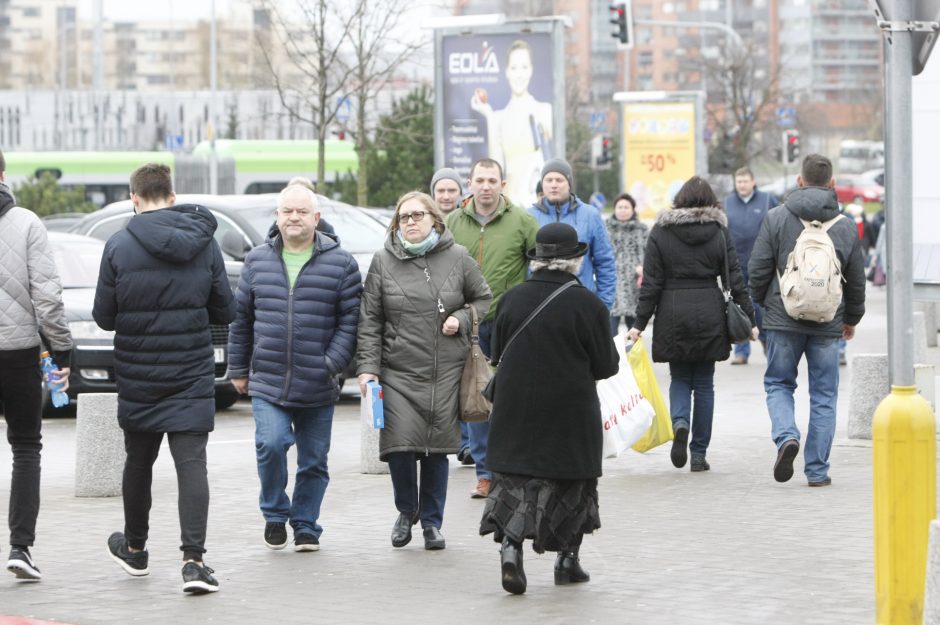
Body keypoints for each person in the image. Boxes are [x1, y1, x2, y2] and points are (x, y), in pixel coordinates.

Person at [93, 163, 235, 594]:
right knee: (192, 465)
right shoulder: (204, 243)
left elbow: (102, 317)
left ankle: (135, 549)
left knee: (139, 463)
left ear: (134, 199)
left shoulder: (118, 245)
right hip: (190, 372)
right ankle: (194, 561)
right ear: (172, 197)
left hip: (139, 373)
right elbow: (225, 310)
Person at [480, 222, 619, 595]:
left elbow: (495, 351)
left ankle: (511, 550)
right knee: (573, 483)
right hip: (570, 410)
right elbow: (607, 366)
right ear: (575, 260)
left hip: (515, 407)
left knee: (514, 479)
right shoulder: (589, 305)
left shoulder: (511, 299)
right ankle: (567, 560)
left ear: (537, 261)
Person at [227, 184, 362, 551]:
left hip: (317, 380)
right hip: (268, 379)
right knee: (270, 444)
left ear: (316, 218)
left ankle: (305, 524)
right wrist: (238, 369)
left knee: (314, 460)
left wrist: (331, 363)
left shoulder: (342, 263)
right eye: (287, 211)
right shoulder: (257, 261)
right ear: (277, 217)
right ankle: (274, 514)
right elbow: (241, 320)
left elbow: (350, 321)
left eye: (301, 212)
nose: (294, 218)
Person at [357, 191, 491, 551]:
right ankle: (406, 510)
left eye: (418, 215)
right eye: (404, 217)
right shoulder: (382, 261)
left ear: (435, 219)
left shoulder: (458, 257)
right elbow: (370, 319)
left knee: (436, 450)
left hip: (445, 370)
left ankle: (432, 523)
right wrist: (368, 369)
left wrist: (461, 318)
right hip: (398, 370)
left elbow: (483, 298)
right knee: (400, 447)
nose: (411, 222)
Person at [748, 154, 866, 486]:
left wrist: (764, 307)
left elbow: (757, 270)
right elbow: (856, 281)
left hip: (783, 320)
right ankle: (817, 471)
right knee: (824, 395)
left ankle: (787, 436)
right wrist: (852, 319)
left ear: (799, 181)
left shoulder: (775, 218)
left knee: (778, 384)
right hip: (828, 324)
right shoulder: (844, 226)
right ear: (832, 184)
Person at [628, 176, 756, 472]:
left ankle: (680, 422)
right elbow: (735, 278)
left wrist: (639, 324)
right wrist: (749, 319)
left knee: (680, 378)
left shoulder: (660, 231)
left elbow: (651, 284)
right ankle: (698, 453)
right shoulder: (719, 231)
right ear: (711, 201)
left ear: (679, 199)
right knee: (705, 384)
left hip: (672, 311)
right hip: (710, 309)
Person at [0, 150, 73, 582]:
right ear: (4, 174)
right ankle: (19, 547)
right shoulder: (27, 223)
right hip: (18, 353)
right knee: (26, 448)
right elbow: (47, 298)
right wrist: (62, 351)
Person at [447, 158, 539, 499]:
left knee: (511, 398)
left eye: (492, 180)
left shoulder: (522, 222)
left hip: (508, 323)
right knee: (476, 400)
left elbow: (541, 264)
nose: (486, 186)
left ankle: (516, 467)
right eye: (480, 180)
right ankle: (485, 474)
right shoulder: (452, 222)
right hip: (467, 324)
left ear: (503, 184)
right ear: (469, 184)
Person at [470, 39, 553, 206]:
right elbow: (496, 167)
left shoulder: (544, 110)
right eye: (514, 68)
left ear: (531, 70)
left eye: (524, 67)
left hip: (536, 203)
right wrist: (488, 115)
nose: (519, 74)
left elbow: (549, 159)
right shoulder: (498, 117)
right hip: (510, 205)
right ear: (507, 72)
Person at [528, 158, 617, 311]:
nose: (554, 185)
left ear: (569, 183)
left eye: (559, 180)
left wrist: (603, 306)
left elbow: (605, 263)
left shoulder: (590, 215)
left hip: (581, 304)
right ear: (542, 184)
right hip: (539, 305)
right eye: (548, 180)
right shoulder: (528, 217)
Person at [430, 168, 472, 465]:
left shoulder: (467, 224)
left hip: (465, 311)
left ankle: (468, 443)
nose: (446, 196)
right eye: (440, 191)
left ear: (460, 193)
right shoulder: (422, 221)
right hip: (432, 312)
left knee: (469, 378)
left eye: (451, 191)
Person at [723, 167, 777, 365]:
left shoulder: (766, 200)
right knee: (737, 306)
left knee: (760, 305)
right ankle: (741, 350)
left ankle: (765, 340)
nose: (742, 185)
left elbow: (778, 223)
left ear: (753, 182)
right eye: (739, 182)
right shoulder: (727, 203)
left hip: (762, 263)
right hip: (736, 263)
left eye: (745, 181)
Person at [606, 192, 648, 335]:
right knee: (610, 332)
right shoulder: (605, 229)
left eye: (626, 207)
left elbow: (651, 255)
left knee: (634, 332)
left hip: (635, 285)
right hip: (611, 284)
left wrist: (644, 269)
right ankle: (613, 357)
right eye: (619, 207)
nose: (622, 210)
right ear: (614, 209)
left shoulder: (641, 230)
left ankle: (631, 357)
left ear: (633, 209)